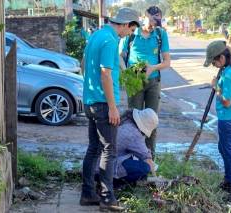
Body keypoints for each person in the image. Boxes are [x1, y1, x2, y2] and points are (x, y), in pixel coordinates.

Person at [80, 7, 140, 212]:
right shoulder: (111, 40)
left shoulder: (97, 34)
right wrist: (113, 108)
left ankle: (87, 194)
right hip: (103, 104)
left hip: (90, 101)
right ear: (125, 24)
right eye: (131, 30)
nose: (130, 34)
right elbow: (106, 74)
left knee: (94, 149)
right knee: (109, 150)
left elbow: (83, 64)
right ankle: (107, 198)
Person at [119, 6, 171, 159]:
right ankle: (131, 158)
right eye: (151, 22)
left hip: (153, 81)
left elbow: (167, 61)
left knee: (152, 121)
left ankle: (149, 159)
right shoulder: (131, 34)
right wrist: (126, 72)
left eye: (156, 23)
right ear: (143, 16)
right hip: (134, 82)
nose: (153, 26)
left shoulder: (160, 34)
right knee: (133, 120)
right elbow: (119, 56)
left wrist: (153, 67)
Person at [203, 41, 231, 204]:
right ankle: (228, 182)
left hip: (228, 118)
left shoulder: (228, 75)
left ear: (222, 57)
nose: (214, 66)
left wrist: (216, 87)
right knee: (223, 148)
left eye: (214, 62)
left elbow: (226, 102)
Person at [95, 108, 158, 188]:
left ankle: (103, 182)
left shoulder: (125, 122)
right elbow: (147, 159)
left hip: (95, 166)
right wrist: (156, 178)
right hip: (104, 168)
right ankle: (109, 185)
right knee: (145, 169)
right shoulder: (134, 133)